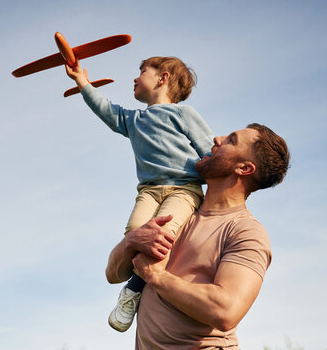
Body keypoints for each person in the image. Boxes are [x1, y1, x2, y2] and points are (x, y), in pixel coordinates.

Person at [105, 123, 290, 349]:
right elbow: (113, 274)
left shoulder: (246, 231)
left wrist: (156, 276)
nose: (217, 139)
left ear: (244, 168)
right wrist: (131, 240)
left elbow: (225, 310)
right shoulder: (177, 211)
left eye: (231, 140)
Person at [65, 56, 214, 332]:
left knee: (163, 235)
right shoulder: (133, 119)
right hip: (149, 191)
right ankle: (132, 279)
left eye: (142, 71)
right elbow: (105, 109)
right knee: (135, 232)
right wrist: (81, 81)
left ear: (163, 78)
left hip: (183, 189)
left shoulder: (184, 115)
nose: (135, 78)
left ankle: (132, 290)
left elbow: (209, 151)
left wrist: (219, 181)